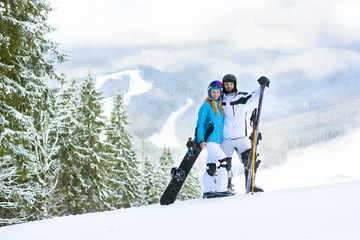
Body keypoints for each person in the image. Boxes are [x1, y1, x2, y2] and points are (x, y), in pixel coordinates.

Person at [220, 74, 270, 193]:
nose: (228, 86)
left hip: (241, 138)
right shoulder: (219, 99)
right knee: (225, 166)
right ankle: (226, 188)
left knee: (250, 161)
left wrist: (264, 86)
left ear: (234, 85)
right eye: (226, 84)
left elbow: (256, 96)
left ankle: (250, 185)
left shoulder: (241, 97)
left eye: (231, 84)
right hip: (225, 138)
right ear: (223, 85)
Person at [196, 80, 232, 198]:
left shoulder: (219, 106)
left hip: (216, 142)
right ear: (209, 92)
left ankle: (208, 191)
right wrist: (201, 140)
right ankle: (221, 189)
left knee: (211, 165)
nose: (215, 94)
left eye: (217, 92)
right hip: (209, 141)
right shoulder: (206, 106)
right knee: (224, 162)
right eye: (213, 92)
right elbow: (200, 123)